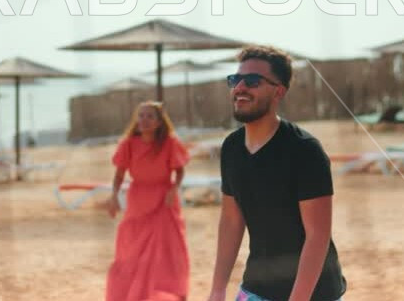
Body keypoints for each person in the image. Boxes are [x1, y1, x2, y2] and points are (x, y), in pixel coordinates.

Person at [208, 45, 346, 301]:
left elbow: (317, 236)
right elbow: (231, 220)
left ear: (278, 91)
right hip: (256, 288)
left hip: (313, 293)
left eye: (252, 81)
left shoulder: (305, 150)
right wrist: (217, 289)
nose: (240, 87)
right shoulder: (231, 147)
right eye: (236, 79)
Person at [105, 100, 191, 301]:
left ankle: (170, 293)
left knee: (167, 249)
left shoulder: (170, 143)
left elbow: (179, 171)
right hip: (138, 200)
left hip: (164, 200)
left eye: (150, 116)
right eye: (141, 115)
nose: (144, 120)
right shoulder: (128, 144)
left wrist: (174, 189)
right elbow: (119, 174)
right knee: (132, 250)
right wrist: (114, 195)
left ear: (159, 122)